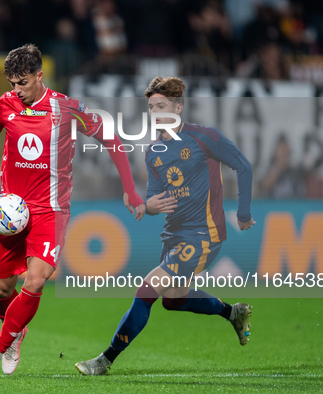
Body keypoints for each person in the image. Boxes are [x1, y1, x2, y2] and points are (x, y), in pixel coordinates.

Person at [0, 44, 145, 378]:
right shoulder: (6, 105)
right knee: (2, 289)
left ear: (39, 75)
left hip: (51, 211)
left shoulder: (66, 108)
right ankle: (16, 332)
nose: (16, 90)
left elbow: (111, 137)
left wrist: (131, 190)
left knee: (35, 280)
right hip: (12, 214)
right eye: (12, 84)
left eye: (22, 83)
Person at [75, 76, 256, 376]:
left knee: (146, 290)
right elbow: (152, 201)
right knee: (173, 301)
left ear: (179, 107)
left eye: (162, 106)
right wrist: (146, 207)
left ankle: (105, 360)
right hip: (173, 236)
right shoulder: (153, 153)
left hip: (204, 235)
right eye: (151, 107)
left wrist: (244, 212)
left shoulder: (204, 137)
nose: (156, 112)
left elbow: (243, 165)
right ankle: (232, 313)